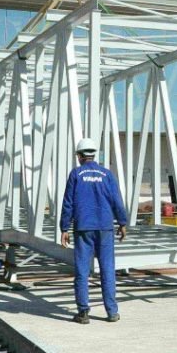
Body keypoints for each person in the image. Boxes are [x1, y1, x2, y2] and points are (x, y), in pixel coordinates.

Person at [60, 137, 128, 324]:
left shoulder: (76, 174)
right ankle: (112, 312)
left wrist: (64, 227)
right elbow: (117, 200)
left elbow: (68, 203)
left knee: (82, 270)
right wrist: (122, 223)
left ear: (80, 155)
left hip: (83, 228)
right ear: (93, 154)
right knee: (107, 269)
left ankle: (83, 313)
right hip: (105, 228)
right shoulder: (107, 174)